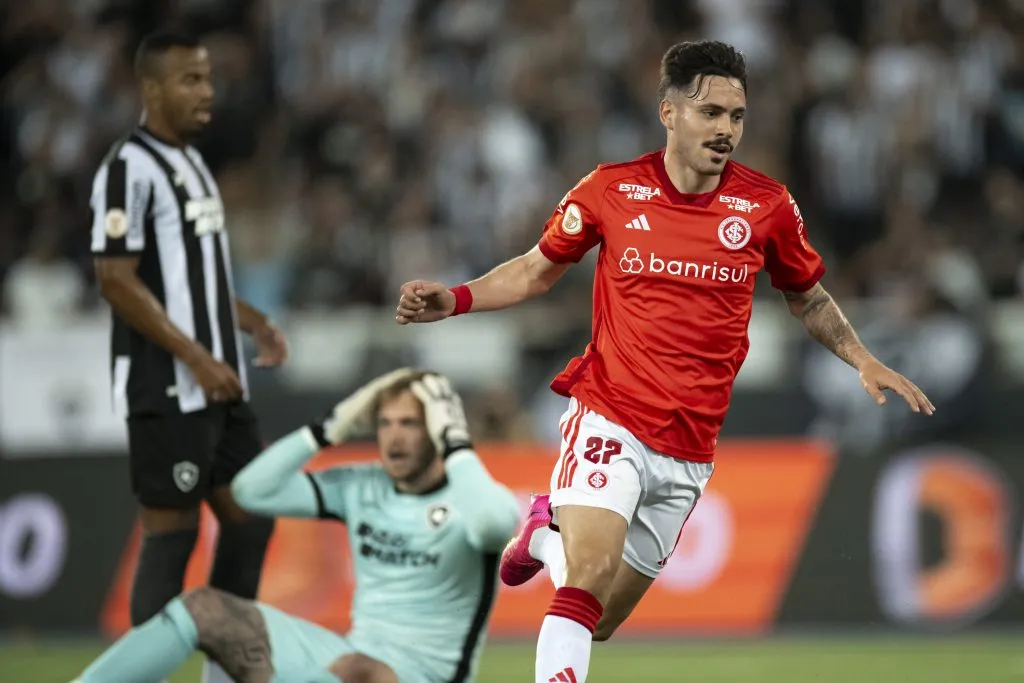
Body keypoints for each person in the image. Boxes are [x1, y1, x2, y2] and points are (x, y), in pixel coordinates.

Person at [394, 40, 936, 683]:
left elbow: (807, 297)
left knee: (598, 620)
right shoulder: (610, 189)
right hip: (610, 415)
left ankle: (542, 533)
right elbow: (537, 271)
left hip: (690, 447)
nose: (726, 130)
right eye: (710, 113)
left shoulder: (766, 206)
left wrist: (862, 358)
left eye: (737, 116)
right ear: (669, 113)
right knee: (588, 576)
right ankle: (554, 542)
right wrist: (454, 298)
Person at [72, 369, 520, 683]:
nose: (394, 436)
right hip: (348, 657)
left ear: (438, 430)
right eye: (384, 423)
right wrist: (329, 428)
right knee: (205, 609)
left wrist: (456, 441)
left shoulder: (469, 494)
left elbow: (498, 524)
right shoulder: (362, 484)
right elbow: (250, 492)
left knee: (361, 673)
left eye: (410, 424)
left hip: (417, 676)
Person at [89, 31, 289, 683]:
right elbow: (116, 278)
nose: (206, 92)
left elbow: (195, 277)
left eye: (207, 79)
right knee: (170, 540)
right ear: (151, 89)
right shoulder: (128, 168)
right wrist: (197, 357)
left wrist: (252, 321)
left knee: (253, 517)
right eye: (190, 81)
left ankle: (225, 672)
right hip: (167, 385)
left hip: (219, 383)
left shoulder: (194, 163)